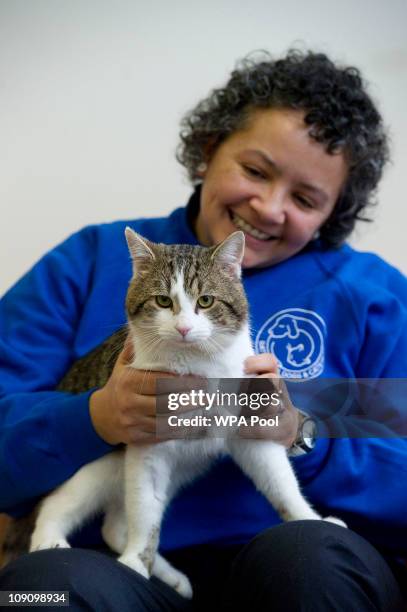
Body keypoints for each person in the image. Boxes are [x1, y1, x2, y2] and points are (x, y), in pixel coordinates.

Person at [0, 49, 406, 611]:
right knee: (30, 594)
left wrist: (299, 432)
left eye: (306, 198)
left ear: (335, 210)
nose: (267, 207)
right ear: (210, 147)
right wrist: (95, 417)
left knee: (316, 560)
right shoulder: (91, 261)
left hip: (294, 569)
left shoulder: (373, 297)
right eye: (255, 171)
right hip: (111, 569)